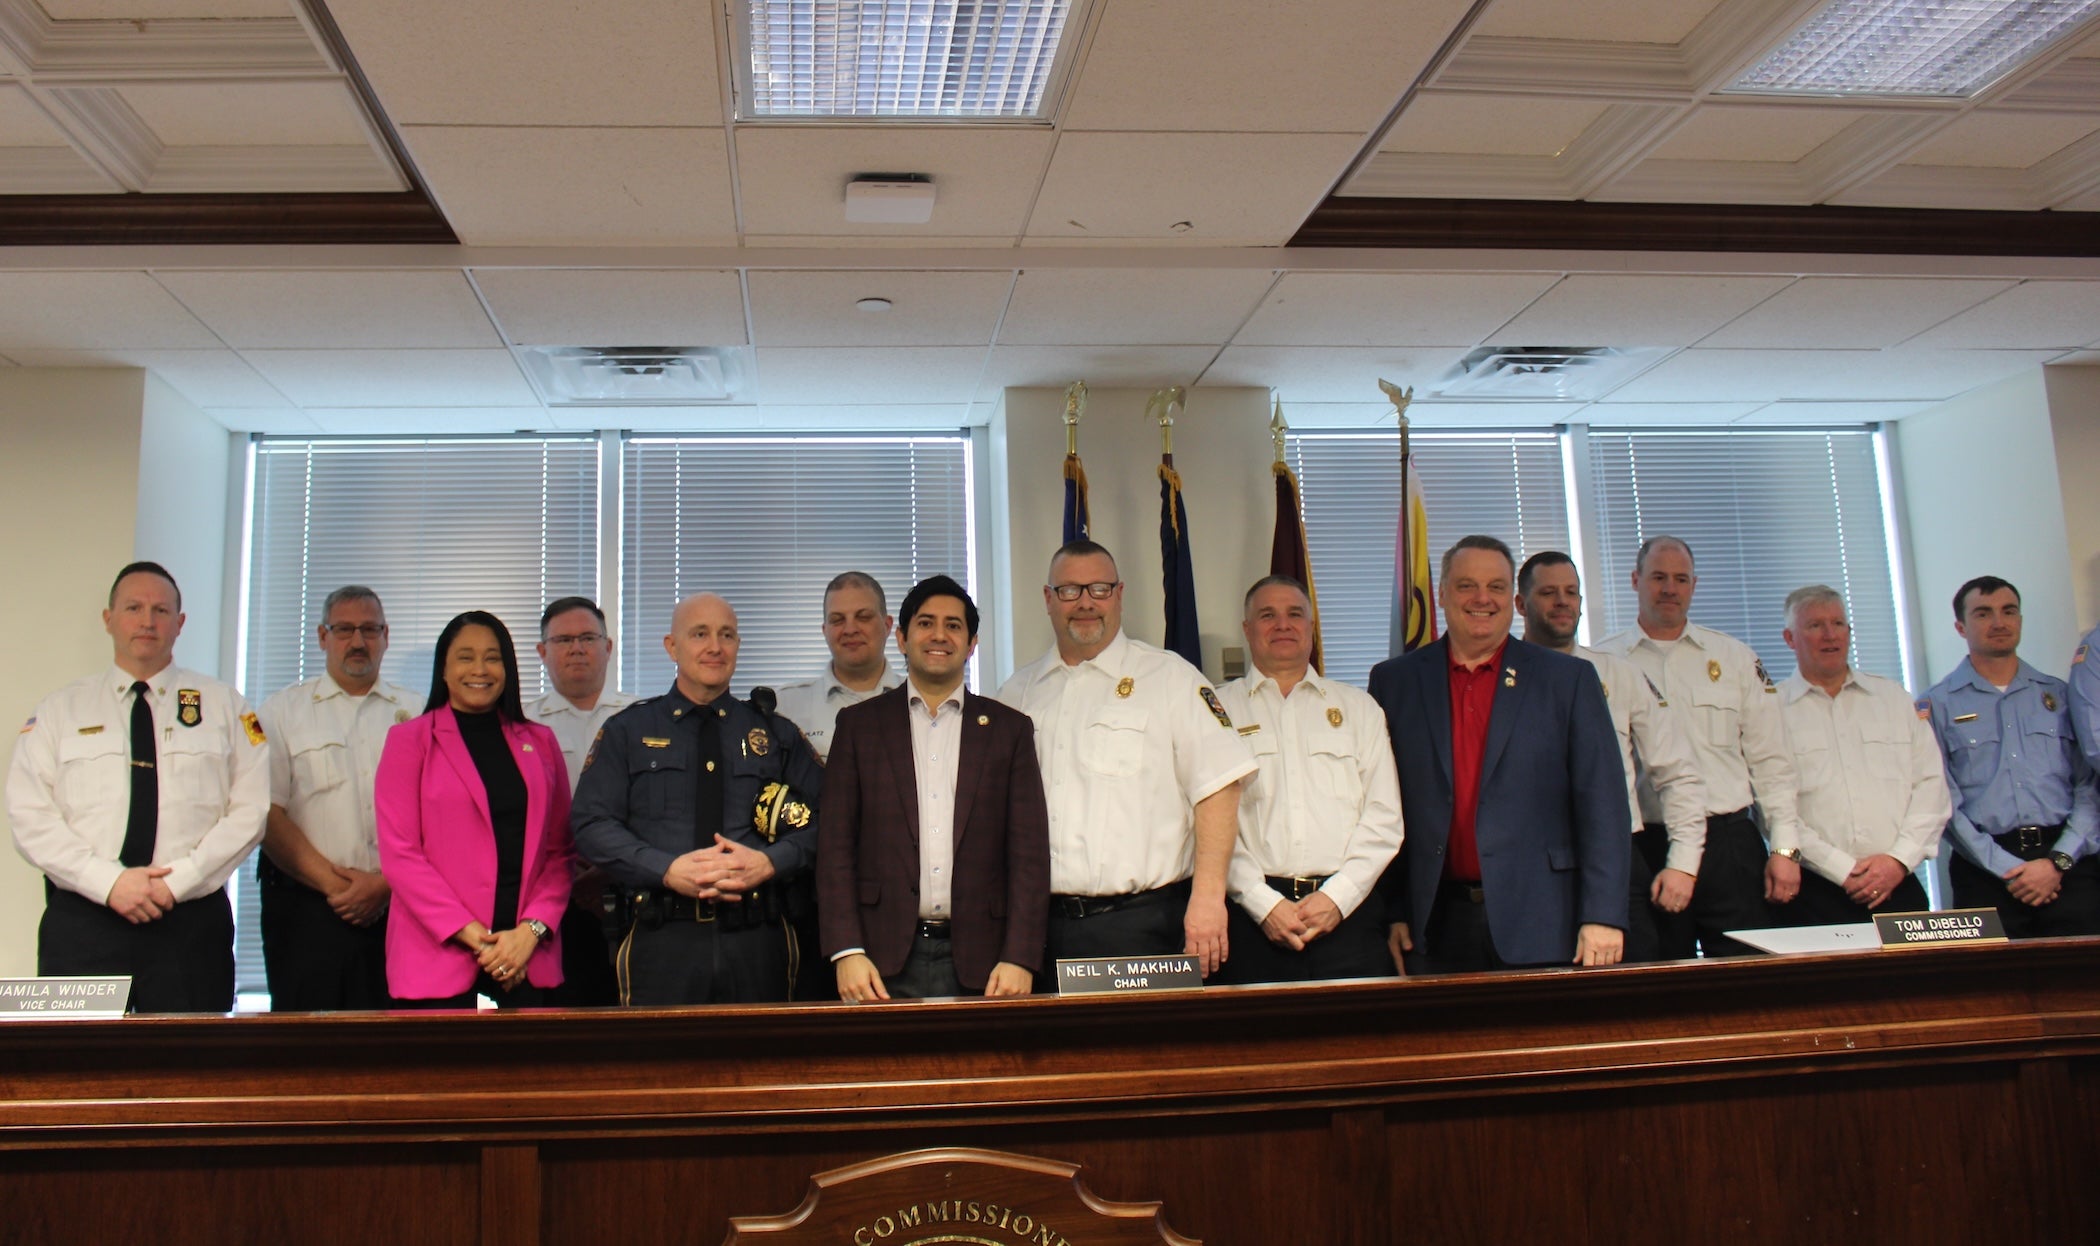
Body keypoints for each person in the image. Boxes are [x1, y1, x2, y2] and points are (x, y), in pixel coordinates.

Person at [7, 561, 269, 1013]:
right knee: (76, 1072)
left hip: (188, 919)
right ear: (108, 619)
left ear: (180, 623)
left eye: (161, 610)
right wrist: (109, 883)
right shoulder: (59, 711)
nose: (147, 621)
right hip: (84, 917)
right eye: (134, 607)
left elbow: (250, 810)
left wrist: (177, 882)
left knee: (190, 1069)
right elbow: (30, 815)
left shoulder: (226, 707)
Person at [1369, 536, 1628, 973]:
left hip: (1546, 919)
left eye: (1496, 586)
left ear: (1513, 598)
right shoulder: (1395, 681)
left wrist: (1602, 914)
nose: (1482, 599)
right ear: (1442, 594)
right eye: (1467, 585)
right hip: (1432, 923)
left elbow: (1603, 805)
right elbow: (1384, 805)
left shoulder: (1568, 680)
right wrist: (1393, 911)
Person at [995, 540, 1254, 978]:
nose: (1085, 603)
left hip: (1144, 925)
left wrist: (1208, 899)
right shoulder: (1017, 694)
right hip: (1037, 931)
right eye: (1069, 591)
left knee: (1146, 1048)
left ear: (1119, 594)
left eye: (1099, 589)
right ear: (1047, 599)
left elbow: (1219, 787)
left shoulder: (1170, 677)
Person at [572, 592, 826, 1005]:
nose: (715, 646)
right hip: (661, 936)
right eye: (700, 634)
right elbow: (590, 825)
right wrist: (666, 869)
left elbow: (832, 821)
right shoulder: (629, 731)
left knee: (764, 1066)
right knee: (661, 1067)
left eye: (726, 635)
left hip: (759, 936)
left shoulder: (775, 734)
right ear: (672, 646)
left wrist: (769, 862)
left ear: (738, 645)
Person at [817, 575, 1050, 1000]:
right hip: (876, 961)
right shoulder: (858, 727)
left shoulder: (1008, 730)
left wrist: (1020, 956)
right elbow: (834, 849)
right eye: (925, 623)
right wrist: (845, 949)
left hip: (989, 964)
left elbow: (1029, 855)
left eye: (954, 625)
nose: (939, 635)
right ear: (903, 639)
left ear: (972, 643)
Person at [1596, 536, 1804, 957]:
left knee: (1747, 977)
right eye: (1657, 577)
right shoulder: (1601, 663)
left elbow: (1771, 763)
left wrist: (1784, 848)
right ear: (1635, 580)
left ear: (1695, 584)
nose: (1669, 588)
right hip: (1649, 844)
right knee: (1658, 979)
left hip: (1729, 845)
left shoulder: (1734, 658)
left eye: (1680, 579)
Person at [374, 611, 574, 1008]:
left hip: (527, 953)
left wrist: (530, 932)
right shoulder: (409, 741)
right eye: (465, 657)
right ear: (444, 670)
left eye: (493, 657)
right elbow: (401, 856)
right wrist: (474, 936)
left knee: (541, 1071)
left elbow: (560, 853)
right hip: (436, 953)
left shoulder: (541, 742)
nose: (480, 669)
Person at [1516, 551, 1707, 962]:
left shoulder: (1619, 673)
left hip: (1616, 857)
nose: (1563, 602)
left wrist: (1684, 863)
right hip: (1530, 864)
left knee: (1637, 996)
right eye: (1549, 592)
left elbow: (1677, 774)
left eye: (1571, 592)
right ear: (1521, 604)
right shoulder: (1503, 680)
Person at [1214, 575, 1402, 984]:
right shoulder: (1215, 711)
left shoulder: (1359, 709)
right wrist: (1262, 902)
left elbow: (1384, 819)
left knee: (1359, 1044)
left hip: (1348, 919)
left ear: (1311, 626)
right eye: (1268, 615)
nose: (1283, 625)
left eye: (1295, 614)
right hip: (1250, 922)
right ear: (1247, 629)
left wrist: (1338, 897)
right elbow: (1208, 824)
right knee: (1256, 1047)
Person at [254, 585, 418, 1010]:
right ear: (322, 636)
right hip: (308, 910)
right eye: (344, 629)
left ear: (387, 635)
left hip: (403, 909)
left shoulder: (421, 713)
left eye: (369, 629)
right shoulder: (279, 712)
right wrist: (338, 887)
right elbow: (267, 813)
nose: (358, 642)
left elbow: (442, 818)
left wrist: (383, 885)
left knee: (403, 1044)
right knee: (309, 1048)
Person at [1925, 576, 2100, 937]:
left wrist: (2058, 861)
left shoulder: (2059, 695)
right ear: (1960, 626)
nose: (1999, 623)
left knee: (2082, 985)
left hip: (2067, 864)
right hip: (1985, 872)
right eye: (1983, 614)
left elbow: (2088, 786)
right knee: (1993, 990)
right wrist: (2007, 868)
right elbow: (1943, 803)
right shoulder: (1935, 706)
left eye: (2009, 611)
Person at [1776, 585, 1948, 925]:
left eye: (1838, 623)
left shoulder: (1893, 699)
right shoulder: (1771, 709)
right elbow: (1773, 808)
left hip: (1897, 883)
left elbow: (1931, 787)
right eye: (1815, 626)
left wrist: (1898, 861)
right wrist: (1843, 870)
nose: (1830, 635)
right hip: (1814, 889)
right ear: (1790, 638)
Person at [524, 595, 634, 1007]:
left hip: (630, 892)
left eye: (588, 637)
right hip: (545, 903)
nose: (576, 648)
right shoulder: (521, 724)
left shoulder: (643, 716)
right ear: (542, 652)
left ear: (608, 647)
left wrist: (607, 867)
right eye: (564, 639)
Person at [774, 572, 901, 762]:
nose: (850, 629)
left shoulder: (917, 700)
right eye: (837, 620)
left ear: (887, 625)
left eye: (863, 617)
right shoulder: (785, 707)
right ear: (825, 630)